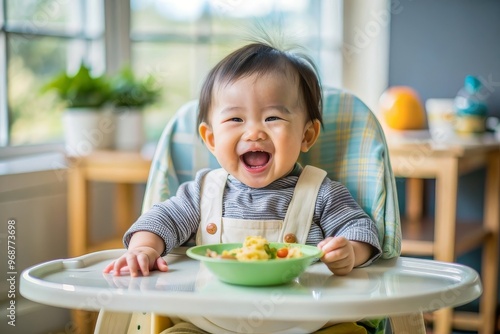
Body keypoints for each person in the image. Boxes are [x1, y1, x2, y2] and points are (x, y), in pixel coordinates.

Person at [104, 41, 382, 334]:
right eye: (235, 119)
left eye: (272, 117)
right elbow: (161, 219)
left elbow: (361, 229)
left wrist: (350, 252)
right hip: (208, 323)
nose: (254, 132)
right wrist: (144, 249)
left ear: (307, 134)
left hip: (307, 324)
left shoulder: (321, 192)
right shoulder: (203, 192)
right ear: (211, 139)